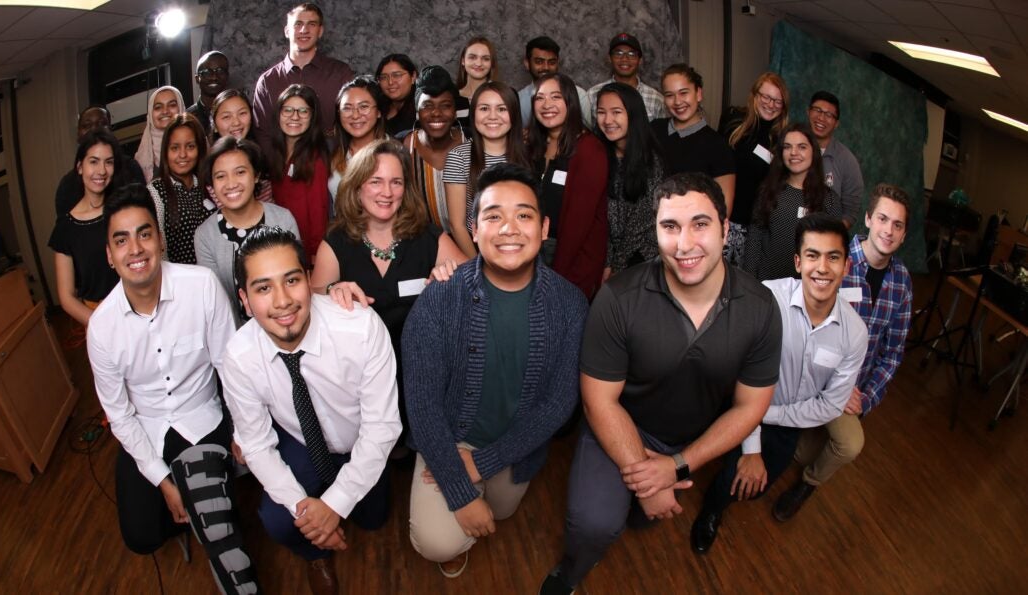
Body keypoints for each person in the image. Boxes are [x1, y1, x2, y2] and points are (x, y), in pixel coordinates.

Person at [539, 172, 782, 595]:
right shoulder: (618, 298)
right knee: (595, 523)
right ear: (655, 231)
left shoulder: (761, 309)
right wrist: (648, 479)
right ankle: (570, 573)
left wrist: (676, 466)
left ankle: (640, 504)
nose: (684, 244)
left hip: (688, 441)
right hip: (617, 426)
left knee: (641, 516)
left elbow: (750, 407)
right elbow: (600, 402)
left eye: (700, 224)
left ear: (726, 231)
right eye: (670, 227)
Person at [403, 163, 587, 579]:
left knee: (502, 511)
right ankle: (454, 531)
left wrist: (483, 464)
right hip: (450, 439)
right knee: (438, 541)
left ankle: (484, 493)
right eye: (493, 216)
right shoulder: (439, 299)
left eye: (523, 216)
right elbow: (422, 402)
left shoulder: (570, 304)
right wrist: (457, 484)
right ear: (473, 228)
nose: (509, 229)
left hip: (514, 445)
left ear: (543, 228)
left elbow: (560, 401)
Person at [87, 184, 259, 595]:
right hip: (149, 430)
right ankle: (183, 506)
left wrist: (240, 429)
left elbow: (228, 365)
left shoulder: (200, 286)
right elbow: (121, 415)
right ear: (110, 255)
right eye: (121, 239)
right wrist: (164, 481)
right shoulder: (102, 328)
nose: (136, 249)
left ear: (160, 240)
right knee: (141, 537)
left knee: (215, 519)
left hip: (203, 417)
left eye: (144, 233)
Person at [222, 226, 400, 595]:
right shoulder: (239, 356)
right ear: (244, 298)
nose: (283, 300)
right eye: (263, 288)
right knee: (278, 519)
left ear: (308, 278)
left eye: (291, 280)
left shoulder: (361, 328)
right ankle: (313, 553)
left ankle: (336, 512)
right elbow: (256, 446)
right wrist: (308, 513)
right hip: (301, 442)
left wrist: (335, 504)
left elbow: (382, 427)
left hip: (359, 441)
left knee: (373, 519)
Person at [689, 213, 867, 554]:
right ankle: (711, 512)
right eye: (813, 256)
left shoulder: (855, 333)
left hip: (786, 418)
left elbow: (830, 405)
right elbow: (744, 375)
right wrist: (751, 443)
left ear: (846, 266)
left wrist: (767, 416)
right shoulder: (768, 300)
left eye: (833, 257)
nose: (822, 268)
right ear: (798, 262)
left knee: (756, 486)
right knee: (733, 473)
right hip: (742, 401)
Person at [310, 140, 467, 459]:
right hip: (362, 383)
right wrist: (330, 293)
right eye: (376, 181)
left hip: (421, 377)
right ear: (356, 188)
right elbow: (311, 303)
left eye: (396, 182)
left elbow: (476, 287)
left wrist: (452, 281)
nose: (387, 192)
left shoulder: (427, 236)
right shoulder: (336, 242)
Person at [773, 183, 912, 522]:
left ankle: (808, 484)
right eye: (882, 219)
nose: (888, 231)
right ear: (868, 218)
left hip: (850, 391)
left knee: (849, 444)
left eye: (898, 225)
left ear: (905, 233)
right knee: (796, 448)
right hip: (810, 372)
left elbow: (893, 353)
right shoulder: (834, 259)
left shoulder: (903, 283)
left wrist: (865, 395)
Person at [195, 136, 300, 320]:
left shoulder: (283, 219)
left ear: (256, 175)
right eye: (220, 176)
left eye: (240, 172)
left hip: (287, 319)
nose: (231, 183)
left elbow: (296, 281)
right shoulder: (205, 235)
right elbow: (217, 302)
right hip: (237, 333)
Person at [525, 73, 608, 298]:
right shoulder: (534, 145)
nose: (547, 105)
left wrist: (557, 276)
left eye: (555, 97)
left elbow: (578, 224)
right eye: (540, 98)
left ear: (570, 102)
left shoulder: (590, 150)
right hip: (533, 252)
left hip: (572, 260)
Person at [744, 124, 841, 281]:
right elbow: (754, 240)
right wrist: (749, 282)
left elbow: (835, 249)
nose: (794, 153)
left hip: (809, 290)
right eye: (787, 147)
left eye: (802, 147)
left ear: (813, 152)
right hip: (767, 287)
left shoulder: (829, 199)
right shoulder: (767, 191)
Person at [443, 81, 529, 257]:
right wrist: (479, 266)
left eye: (502, 109)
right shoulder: (459, 157)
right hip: (477, 250)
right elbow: (456, 225)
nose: (492, 116)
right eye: (484, 109)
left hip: (520, 247)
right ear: (473, 114)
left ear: (514, 114)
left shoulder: (528, 156)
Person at [252, 2, 354, 147]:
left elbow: (351, 124)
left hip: (332, 165)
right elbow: (263, 134)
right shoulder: (268, 81)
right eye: (298, 24)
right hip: (280, 166)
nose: (304, 30)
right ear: (287, 31)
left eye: (311, 24)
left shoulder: (340, 74)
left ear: (320, 31)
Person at [49, 130, 123, 327]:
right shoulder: (65, 228)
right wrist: (101, 327)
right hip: (98, 316)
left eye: (108, 162)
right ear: (80, 167)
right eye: (93, 161)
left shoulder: (123, 210)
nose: (102, 170)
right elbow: (66, 297)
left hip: (137, 306)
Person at [595, 82, 669, 279]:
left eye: (616, 112)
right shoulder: (597, 156)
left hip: (643, 254)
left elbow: (641, 222)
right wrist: (607, 262)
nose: (608, 120)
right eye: (601, 112)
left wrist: (615, 267)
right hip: (605, 251)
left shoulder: (652, 160)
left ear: (633, 115)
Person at [723, 72, 790, 265]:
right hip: (723, 219)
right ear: (755, 95)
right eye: (766, 97)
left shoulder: (781, 140)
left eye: (778, 101)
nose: (770, 104)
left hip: (752, 229)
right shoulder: (732, 120)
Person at [652, 64, 735, 217]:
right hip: (647, 228)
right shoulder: (654, 130)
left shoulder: (717, 145)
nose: (677, 101)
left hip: (691, 232)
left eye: (684, 93)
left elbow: (723, 210)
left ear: (698, 93)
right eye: (670, 95)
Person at [268, 84, 331, 265]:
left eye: (303, 111)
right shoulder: (276, 153)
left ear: (312, 117)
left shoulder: (315, 158)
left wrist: (314, 257)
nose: (294, 117)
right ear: (278, 114)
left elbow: (319, 212)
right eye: (288, 110)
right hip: (281, 245)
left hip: (305, 252)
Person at [401, 66, 465, 233]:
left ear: (455, 112)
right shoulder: (405, 146)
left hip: (471, 242)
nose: (436, 113)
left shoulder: (471, 144)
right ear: (417, 112)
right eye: (427, 106)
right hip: (425, 245)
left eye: (445, 106)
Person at [147, 113, 214, 265]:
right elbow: (157, 247)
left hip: (214, 277)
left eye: (190, 146)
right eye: (175, 148)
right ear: (166, 151)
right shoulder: (156, 191)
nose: (182, 155)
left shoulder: (208, 186)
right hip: (179, 281)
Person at [55, 106, 145, 216]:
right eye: (87, 125)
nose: (95, 129)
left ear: (111, 130)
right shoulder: (67, 185)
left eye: (102, 123)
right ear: (78, 134)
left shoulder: (130, 168)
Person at [807, 91, 865, 228]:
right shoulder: (791, 147)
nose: (821, 118)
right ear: (808, 112)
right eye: (817, 110)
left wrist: (828, 237)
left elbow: (850, 214)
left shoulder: (848, 161)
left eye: (829, 115)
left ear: (836, 123)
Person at [329, 75, 388, 204]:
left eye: (364, 106)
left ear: (378, 112)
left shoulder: (395, 152)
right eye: (347, 108)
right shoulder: (331, 152)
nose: (355, 115)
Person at [210, 89, 275, 205]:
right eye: (226, 117)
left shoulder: (262, 157)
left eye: (242, 113)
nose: (236, 123)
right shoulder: (209, 164)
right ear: (214, 125)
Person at [516, 36, 592, 128]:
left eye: (552, 62)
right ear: (527, 63)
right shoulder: (519, 100)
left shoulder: (579, 95)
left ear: (558, 63)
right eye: (539, 62)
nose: (546, 67)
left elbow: (588, 134)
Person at [587, 33, 667, 120]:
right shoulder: (592, 95)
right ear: (609, 58)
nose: (625, 59)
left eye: (631, 54)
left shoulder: (656, 99)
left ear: (640, 60)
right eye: (618, 53)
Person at [134, 85, 184, 184]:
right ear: (150, 113)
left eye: (172, 105)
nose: (165, 111)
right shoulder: (141, 157)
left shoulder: (198, 141)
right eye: (158, 107)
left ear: (181, 107)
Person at [455, 37, 498, 130]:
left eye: (485, 59)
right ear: (463, 60)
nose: (478, 63)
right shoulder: (452, 98)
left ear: (492, 63)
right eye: (472, 57)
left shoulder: (502, 96)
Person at [375, 53, 418, 137]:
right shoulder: (377, 106)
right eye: (384, 77)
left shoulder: (423, 108)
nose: (390, 82)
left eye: (397, 75)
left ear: (413, 76)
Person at [188, 51, 230, 133]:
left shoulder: (236, 115)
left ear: (227, 76)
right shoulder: (189, 118)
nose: (214, 77)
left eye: (220, 71)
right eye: (207, 72)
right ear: (197, 79)